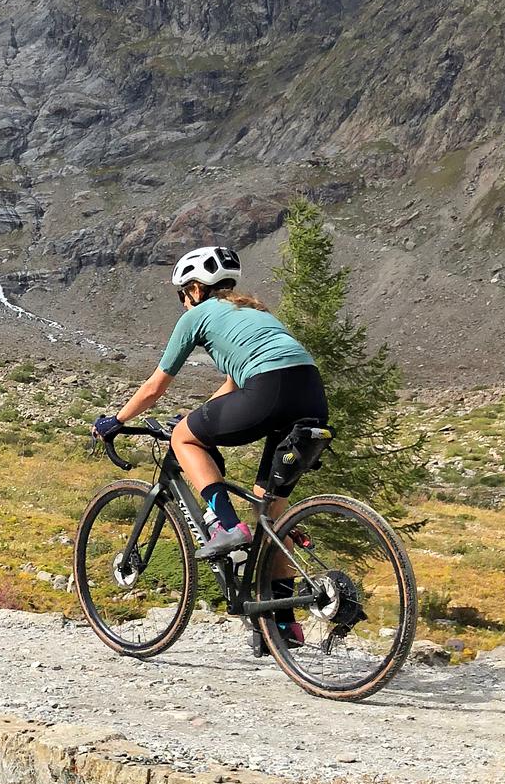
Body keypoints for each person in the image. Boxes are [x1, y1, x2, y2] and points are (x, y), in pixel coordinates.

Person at [91, 245, 329, 630]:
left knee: (183, 439)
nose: (183, 302)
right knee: (271, 515)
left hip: (269, 390)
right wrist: (195, 415)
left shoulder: (198, 315)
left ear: (195, 289)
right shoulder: (252, 312)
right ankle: (283, 625)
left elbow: (155, 387)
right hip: (312, 394)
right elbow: (235, 383)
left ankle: (226, 525)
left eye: (182, 294)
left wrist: (115, 420)